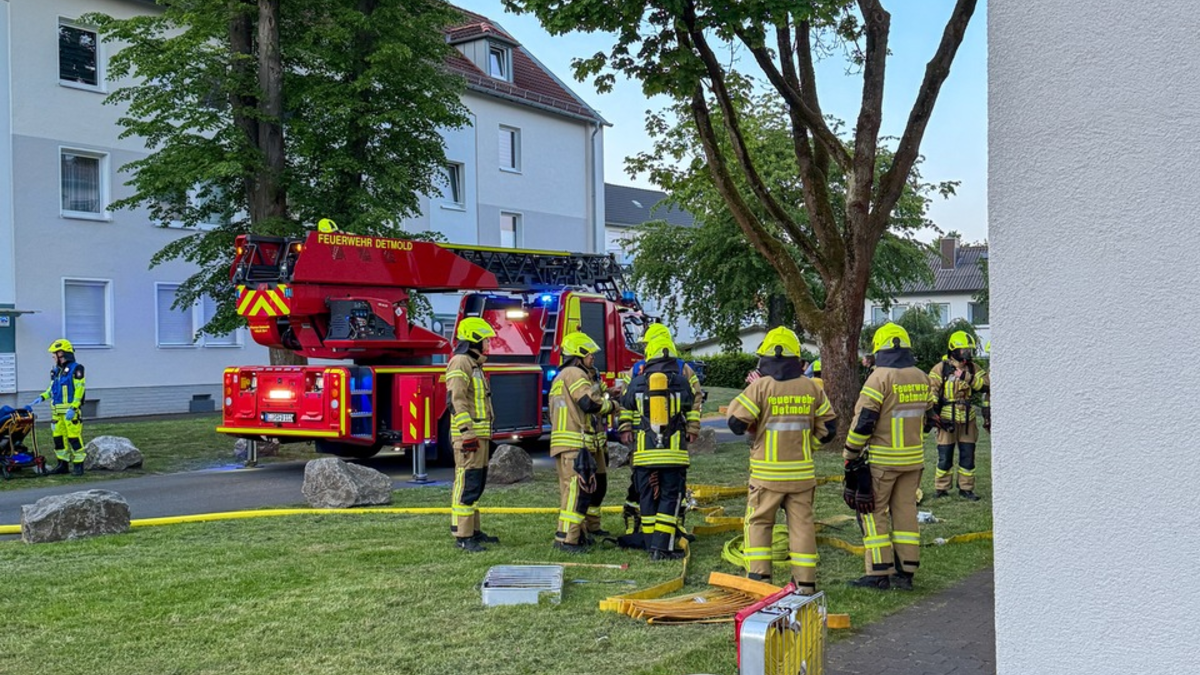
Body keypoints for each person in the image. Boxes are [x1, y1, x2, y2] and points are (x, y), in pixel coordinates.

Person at [726, 328, 837, 594]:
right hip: (801, 476)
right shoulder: (812, 387)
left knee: (760, 524)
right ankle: (806, 585)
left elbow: (735, 424)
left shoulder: (761, 387)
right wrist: (806, 447)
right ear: (796, 358)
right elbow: (829, 429)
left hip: (766, 477)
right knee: (801, 527)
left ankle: (759, 582)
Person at [842, 323, 935, 591]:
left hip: (883, 462)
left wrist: (851, 452)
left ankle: (878, 573)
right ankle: (906, 573)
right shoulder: (921, 376)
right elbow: (929, 418)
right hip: (913, 460)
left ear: (879, 350)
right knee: (906, 513)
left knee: (871, 512)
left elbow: (864, 422)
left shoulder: (879, 378)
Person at [615, 323, 703, 544]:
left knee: (655, 485)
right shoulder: (640, 370)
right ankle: (659, 535)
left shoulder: (676, 371)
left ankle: (661, 531)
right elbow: (692, 400)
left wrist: (692, 427)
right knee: (656, 486)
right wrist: (626, 427)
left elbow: (624, 401)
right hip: (659, 440)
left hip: (645, 440)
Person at [549, 332, 620, 553]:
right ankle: (568, 540)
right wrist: (614, 406)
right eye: (589, 353)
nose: (592, 358)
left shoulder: (565, 375)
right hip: (575, 443)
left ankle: (577, 534)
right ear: (578, 354)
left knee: (575, 491)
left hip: (571, 443)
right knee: (576, 493)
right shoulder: (575, 373)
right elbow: (588, 403)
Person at [445, 317, 499, 553]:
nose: (489, 344)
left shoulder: (474, 364)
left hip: (479, 435)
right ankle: (463, 535)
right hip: (469, 436)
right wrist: (467, 432)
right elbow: (456, 400)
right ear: (475, 339)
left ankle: (473, 531)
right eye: (486, 339)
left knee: (476, 482)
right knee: (466, 483)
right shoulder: (460, 363)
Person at [929, 331, 991, 501]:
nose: (967, 354)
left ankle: (966, 488)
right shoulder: (941, 368)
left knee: (967, 455)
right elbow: (932, 389)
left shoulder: (972, 368)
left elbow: (987, 385)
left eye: (969, 350)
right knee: (945, 455)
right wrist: (934, 414)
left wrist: (967, 377)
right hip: (946, 418)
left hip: (968, 419)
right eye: (963, 350)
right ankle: (941, 488)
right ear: (953, 350)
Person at [25, 339, 87, 475]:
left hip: (70, 413)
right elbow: (51, 389)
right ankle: (62, 465)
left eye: (55, 353)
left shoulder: (76, 369)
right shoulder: (56, 371)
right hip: (56, 414)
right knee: (58, 440)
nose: (53, 356)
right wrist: (41, 397)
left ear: (62, 353)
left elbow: (79, 390)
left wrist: (74, 407)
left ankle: (78, 465)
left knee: (74, 439)